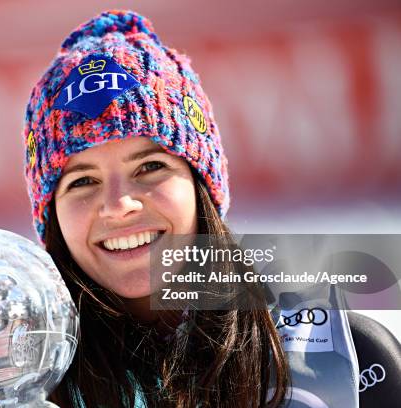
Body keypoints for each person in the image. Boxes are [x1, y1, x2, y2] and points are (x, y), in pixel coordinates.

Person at [21, 10, 288, 407]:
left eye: (150, 167)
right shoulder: (23, 385)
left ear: (202, 186)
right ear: (52, 216)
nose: (118, 206)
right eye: (82, 181)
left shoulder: (333, 357)